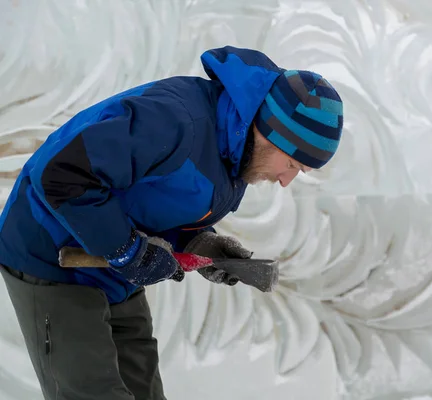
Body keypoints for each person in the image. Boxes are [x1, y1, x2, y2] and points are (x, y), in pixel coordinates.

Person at [0, 46, 344, 399]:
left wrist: (198, 243)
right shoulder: (174, 122)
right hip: (51, 254)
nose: (286, 181)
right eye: (291, 164)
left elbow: (155, 198)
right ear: (270, 132)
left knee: (144, 391)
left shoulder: (237, 152)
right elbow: (62, 176)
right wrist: (127, 251)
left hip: (112, 267)